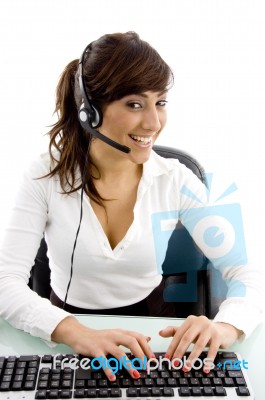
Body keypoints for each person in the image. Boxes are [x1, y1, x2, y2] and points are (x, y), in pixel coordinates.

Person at [0, 31, 263, 381]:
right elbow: (6, 281)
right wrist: (73, 332)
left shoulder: (176, 179)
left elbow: (248, 272)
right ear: (90, 112)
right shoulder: (46, 175)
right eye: (135, 104)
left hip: (153, 332)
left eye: (161, 102)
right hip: (68, 329)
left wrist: (228, 326)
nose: (154, 123)